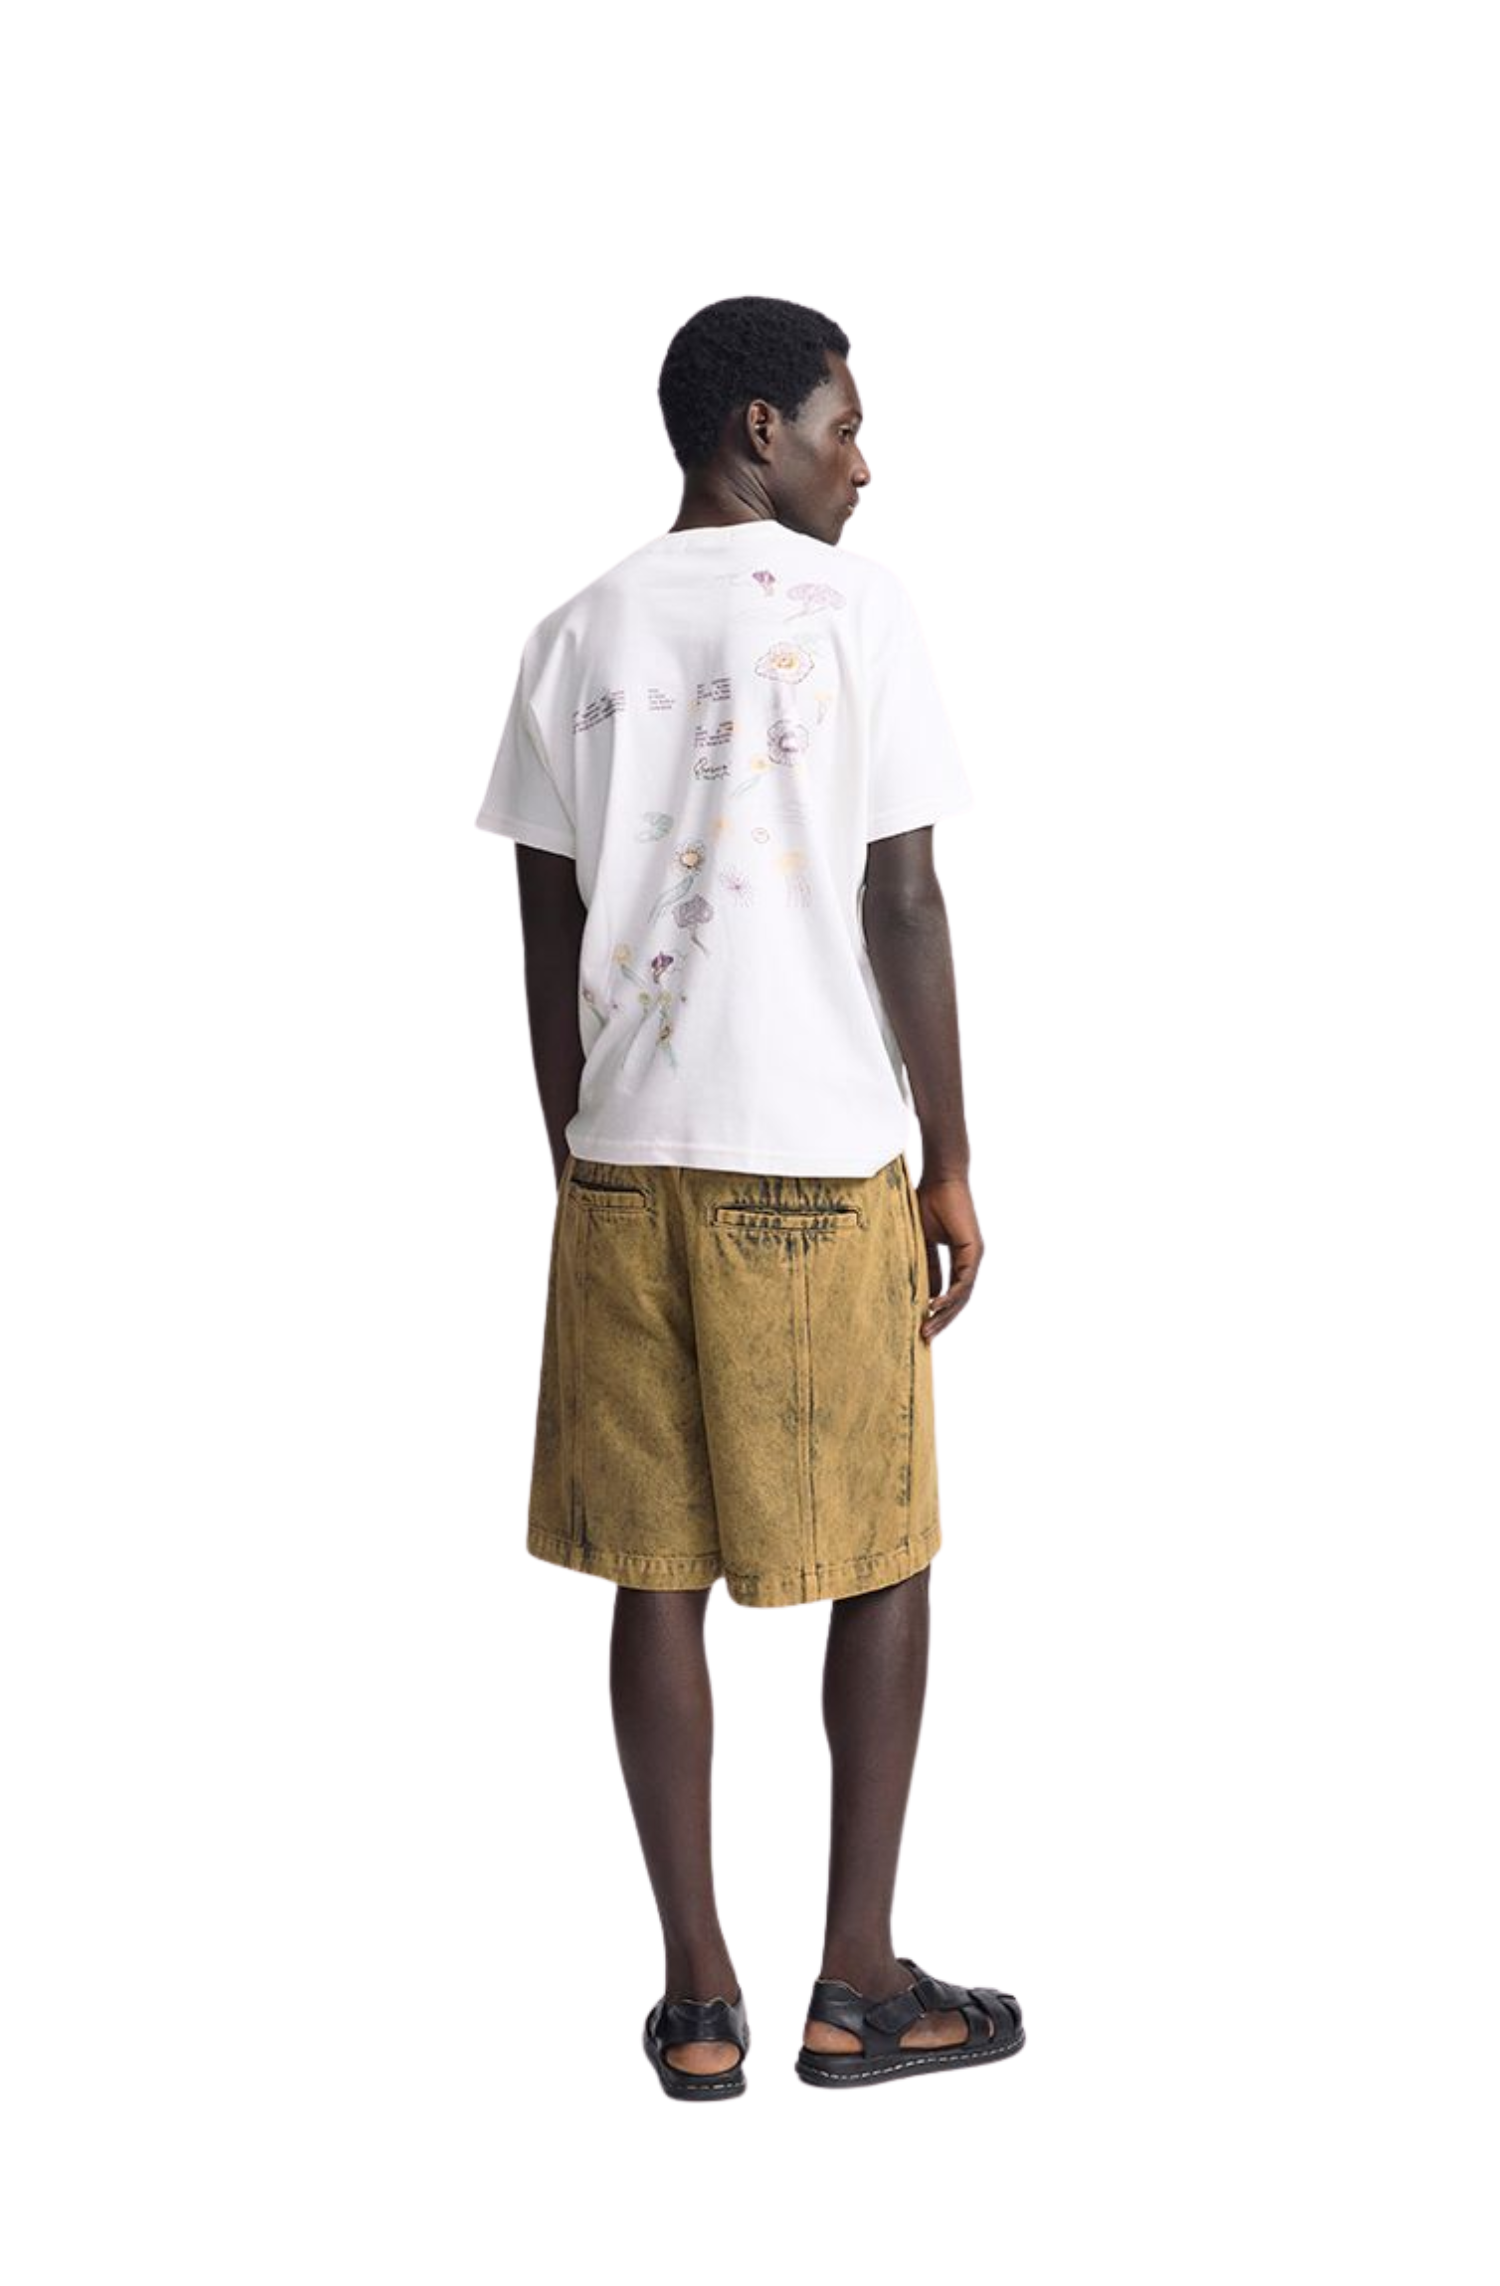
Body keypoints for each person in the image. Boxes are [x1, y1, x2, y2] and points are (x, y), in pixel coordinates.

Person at [474, 295, 1024, 2098]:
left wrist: (576, 1147)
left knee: (656, 1570)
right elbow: (904, 896)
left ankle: (698, 1997)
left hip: (627, 1162)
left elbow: (546, 927)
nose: (865, 464)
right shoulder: (852, 609)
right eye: (843, 427)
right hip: (814, 1153)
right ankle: (854, 1981)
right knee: (885, 1547)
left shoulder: (575, 629)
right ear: (757, 430)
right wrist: (952, 1155)